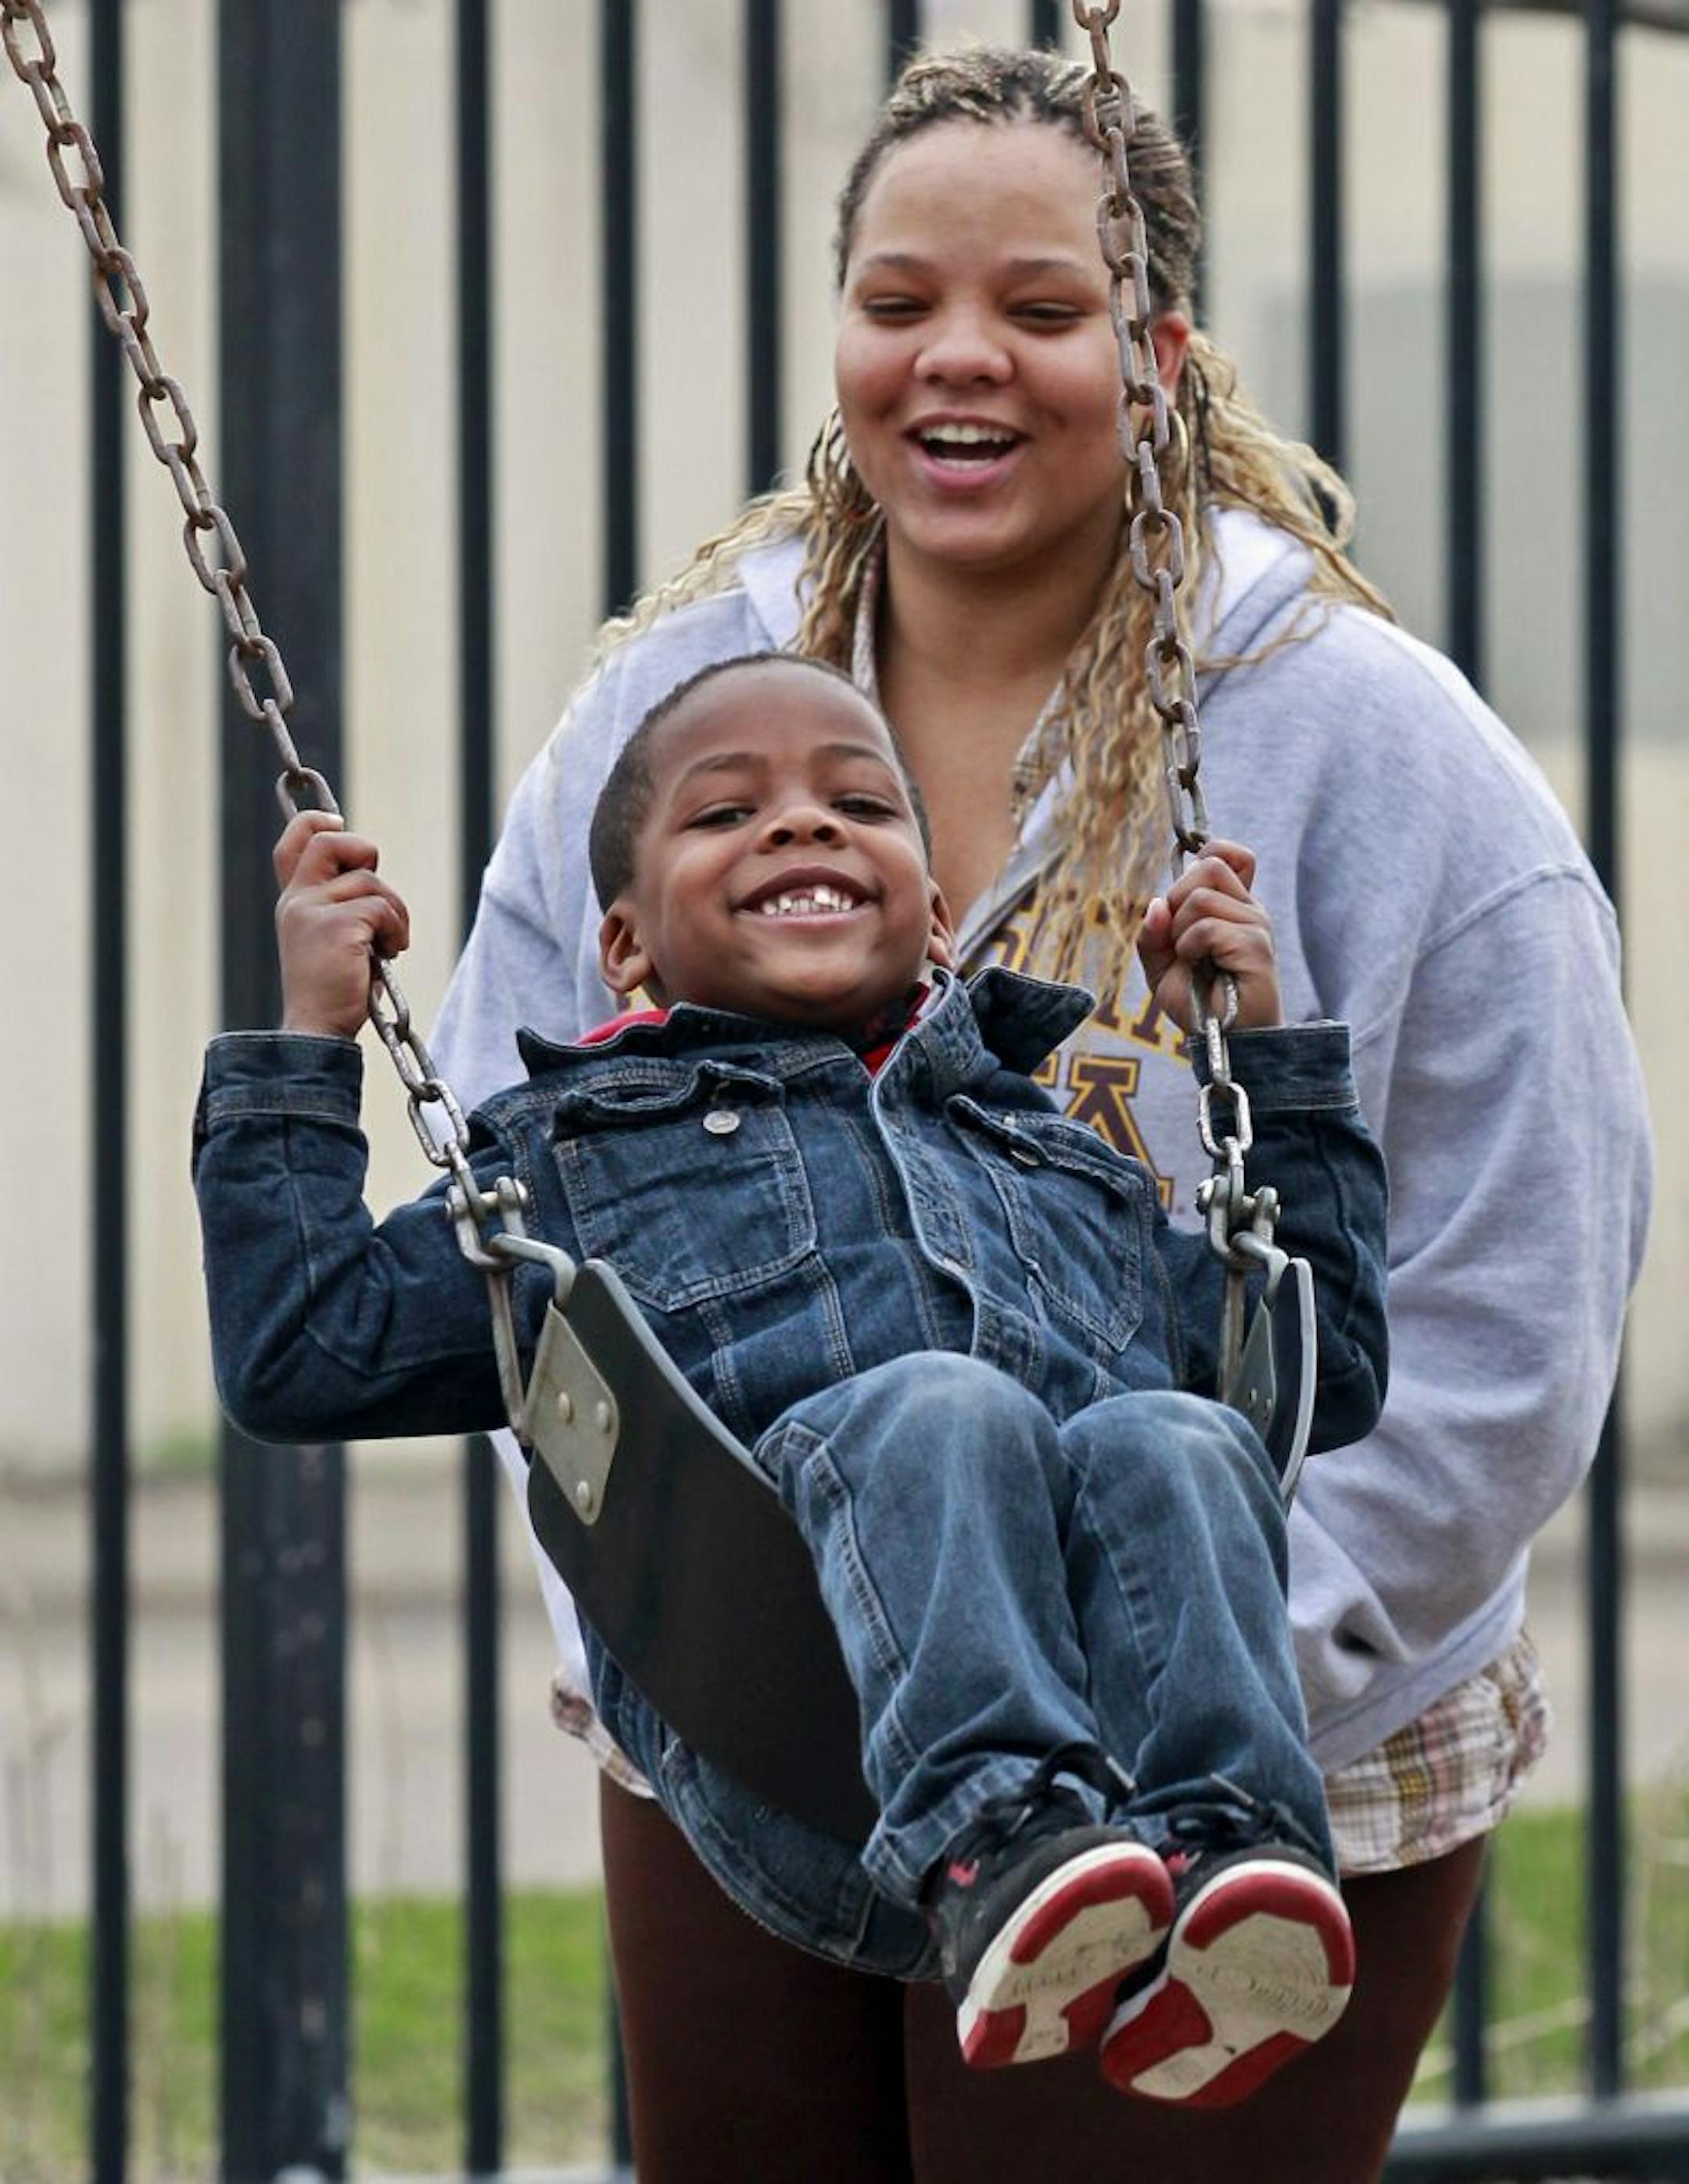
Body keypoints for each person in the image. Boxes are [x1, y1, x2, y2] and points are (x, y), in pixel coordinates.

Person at [424, 45, 1652, 2184]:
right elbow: (518, 1192)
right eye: (898, 303)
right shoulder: (673, 704)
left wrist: (1219, 1653)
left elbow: (1513, 1309)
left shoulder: (1366, 752)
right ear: (840, 336)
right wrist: (670, 1609)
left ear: (1159, 353)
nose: (958, 359)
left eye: (1042, 310)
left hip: (1249, 1713)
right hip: (758, 1663)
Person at [195, 652, 1387, 2108]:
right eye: (724, 815)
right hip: (793, 1722)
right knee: (945, 1405)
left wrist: (1267, 1059)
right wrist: (310, 1044)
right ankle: (996, 1835)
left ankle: (1236, 1861)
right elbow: (305, 1350)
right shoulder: (574, 1165)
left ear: (939, 920)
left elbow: (1329, 1368)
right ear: (624, 947)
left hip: (1112, 1751)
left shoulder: (1063, 1162)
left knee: (1179, 1434)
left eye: (859, 801)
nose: (803, 826)